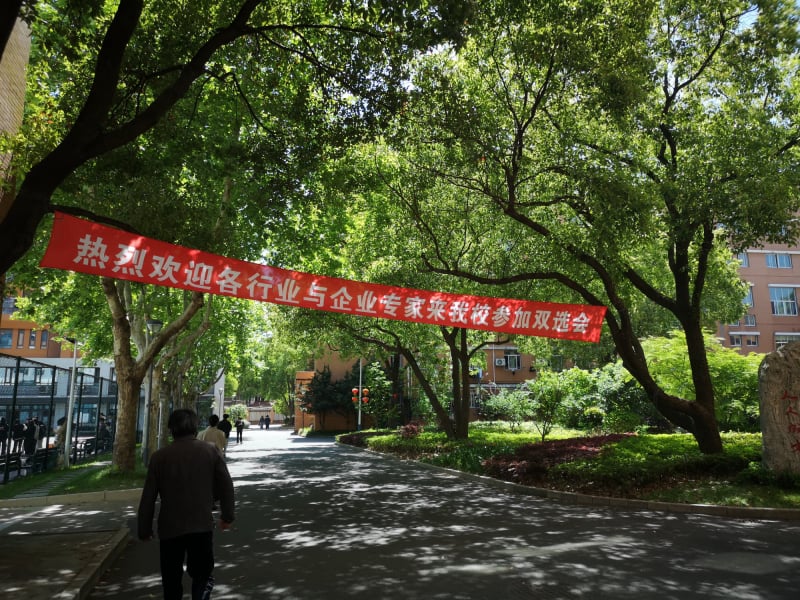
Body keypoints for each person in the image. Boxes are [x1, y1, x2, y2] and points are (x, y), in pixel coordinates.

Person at [138, 408, 235, 600]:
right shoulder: (210, 451)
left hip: (170, 527)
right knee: (202, 572)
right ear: (194, 427)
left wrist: (144, 528)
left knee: (171, 578)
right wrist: (227, 516)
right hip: (201, 523)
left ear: (170, 429)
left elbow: (148, 496)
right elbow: (226, 485)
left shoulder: (159, 457)